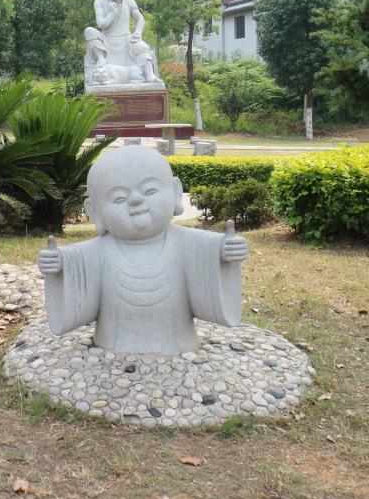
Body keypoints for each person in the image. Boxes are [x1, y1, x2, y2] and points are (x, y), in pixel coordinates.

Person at [37, 145, 247, 356]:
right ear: (95, 211)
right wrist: (57, 266)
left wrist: (226, 252)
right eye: (119, 198)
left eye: (150, 190)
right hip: (113, 339)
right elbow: (73, 262)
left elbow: (212, 249)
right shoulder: (99, 250)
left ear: (175, 192)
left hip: (179, 337)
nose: (136, 200)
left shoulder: (187, 242)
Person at [84, 0, 161, 87]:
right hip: (106, 39)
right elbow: (101, 24)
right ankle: (101, 58)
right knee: (89, 31)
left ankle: (150, 75)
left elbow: (140, 19)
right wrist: (112, 13)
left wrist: (138, 33)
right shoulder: (99, 1)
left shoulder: (129, 1)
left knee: (144, 48)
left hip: (126, 38)